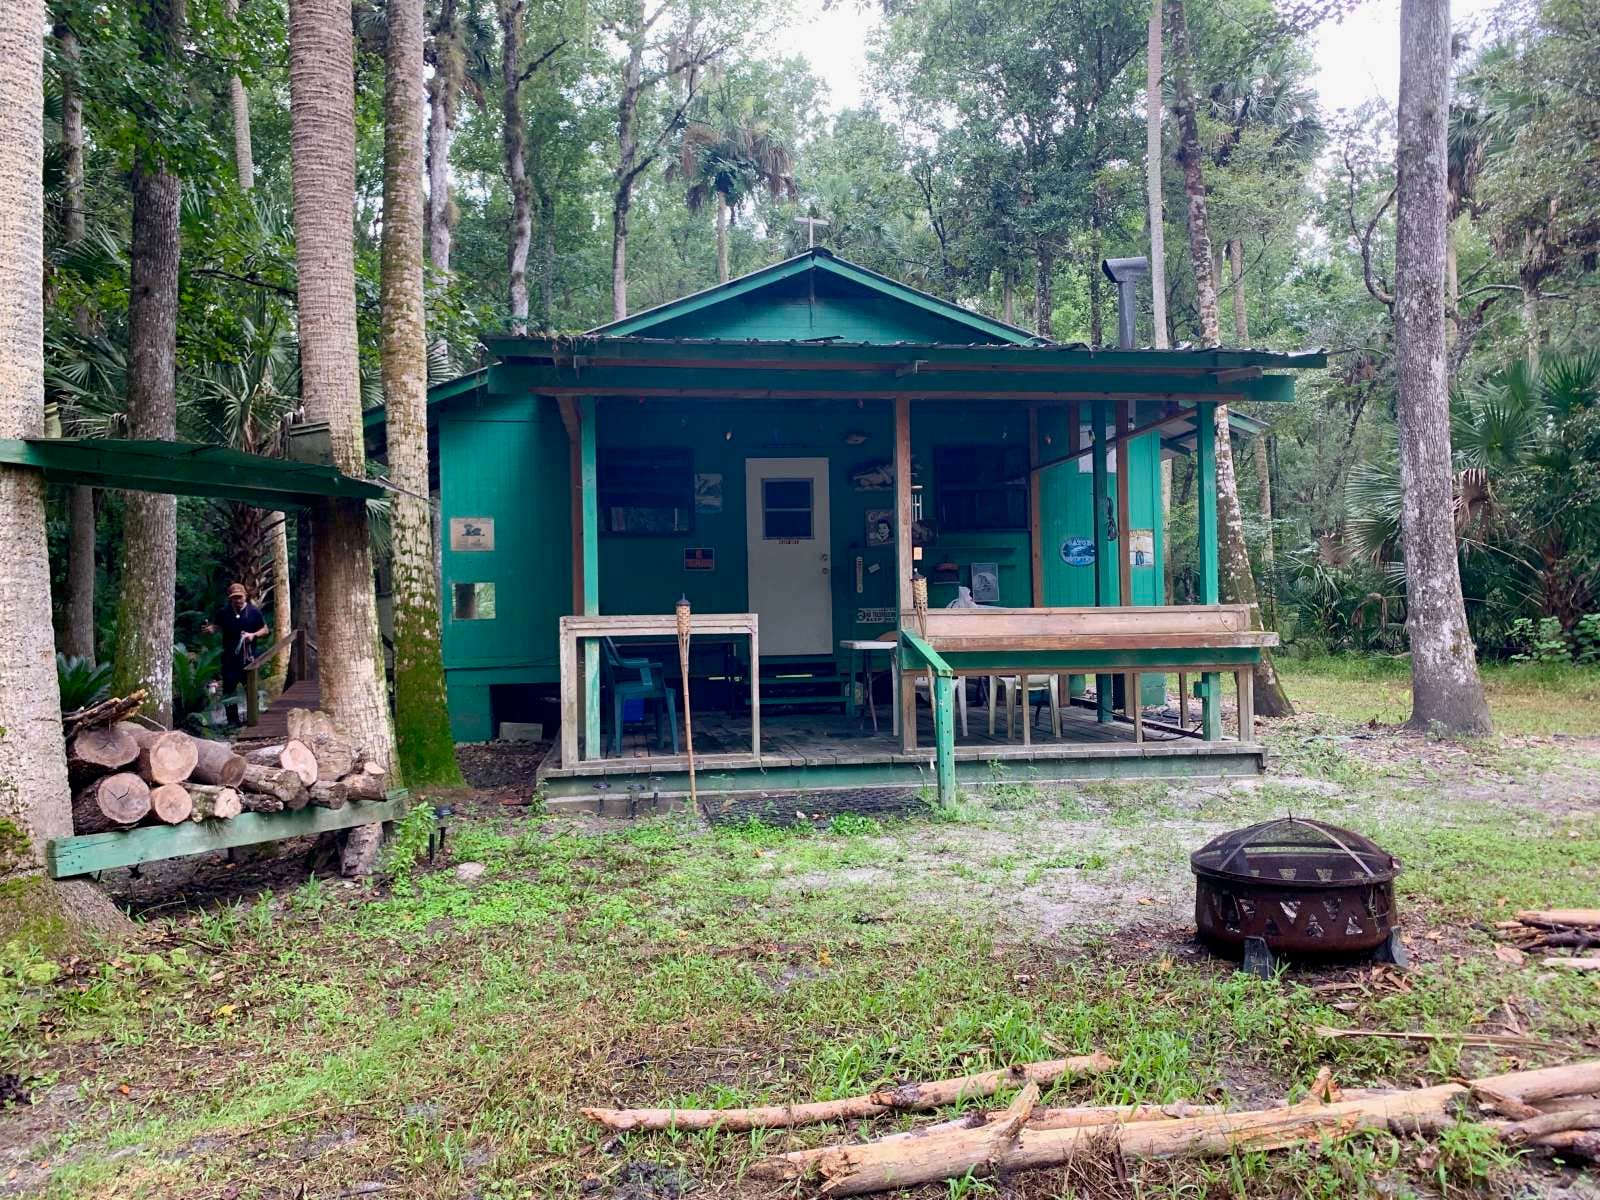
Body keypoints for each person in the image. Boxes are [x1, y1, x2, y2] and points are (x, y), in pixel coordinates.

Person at [207, 582, 268, 725]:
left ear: (245, 596)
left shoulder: (254, 612)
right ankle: (232, 722)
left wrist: (253, 635)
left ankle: (253, 719)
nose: (237, 600)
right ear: (230, 598)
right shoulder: (224, 612)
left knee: (251, 690)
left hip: (249, 659)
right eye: (234, 598)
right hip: (229, 659)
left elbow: (265, 629)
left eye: (240, 597)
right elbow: (216, 626)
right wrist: (211, 630)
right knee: (229, 691)